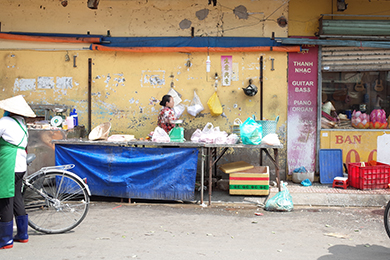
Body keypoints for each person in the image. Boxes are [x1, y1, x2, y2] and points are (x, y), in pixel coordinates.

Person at [0, 95, 36, 250]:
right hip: (20, 165)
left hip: (8, 164)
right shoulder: (22, 124)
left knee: (5, 199)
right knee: (17, 198)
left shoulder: (4, 122)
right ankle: (22, 234)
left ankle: (6, 239)